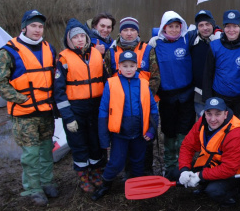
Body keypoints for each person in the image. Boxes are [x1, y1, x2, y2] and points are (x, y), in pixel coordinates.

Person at [0, 10, 58, 206]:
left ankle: (46, 182)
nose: (38, 30)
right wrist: (21, 99)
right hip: (24, 113)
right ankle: (32, 188)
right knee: (30, 153)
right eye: (33, 26)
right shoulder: (8, 52)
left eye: (40, 26)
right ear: (24, 27)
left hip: (46, 111)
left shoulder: (49, 48)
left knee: (47, 149)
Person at [93, 50, 159, 200]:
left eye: (132, 65)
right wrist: (104, 139)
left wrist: (151, 131)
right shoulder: (111, 84)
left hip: (139, 133)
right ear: (119, 67)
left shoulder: (143, 84)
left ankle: (136, 186)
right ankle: (105, 185)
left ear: (137, 66)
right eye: (125, 65)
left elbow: (153, 110)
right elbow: (103, 111)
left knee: (138, 161)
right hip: (120, 134)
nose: (128, 69)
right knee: (116, 162)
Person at [54, 19, 109, 194]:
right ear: (69, 40)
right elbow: (59, 92)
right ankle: (83, 176)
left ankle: (96, 172)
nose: (79, 40)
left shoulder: (96, 55)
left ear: (87, 37)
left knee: (96, 142)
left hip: (96, 107)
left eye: (82, 36)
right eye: (75, 37)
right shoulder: (63, 60)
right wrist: (68, 117)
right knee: (79, 144)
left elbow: (107, 82)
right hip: (75, 109)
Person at [105, 17, 161, 175]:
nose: (129, 33)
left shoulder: (147, 49)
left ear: (137, 31)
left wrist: (144, 97)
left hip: (145, 101)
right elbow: (107, 77)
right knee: (124, 136)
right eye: (125, 30)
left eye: (133, 30)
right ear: (120, 32)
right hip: (120, 104)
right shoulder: (112, 51)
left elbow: (155, 77)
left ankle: (146, 169)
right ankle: (128, 171)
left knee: (146, 137)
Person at [177, 97, 240, 207]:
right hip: (211, 162)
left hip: (235, 170)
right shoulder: (202, 123)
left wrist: (200, 175)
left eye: (217, 114)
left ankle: (233, 195)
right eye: (209, 114)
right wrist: (184, 170)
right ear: (205, 113)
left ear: (225, 114)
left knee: (214, 190)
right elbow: (187, 146)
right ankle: (205, 183)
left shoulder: (236, 132)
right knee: (176, 174)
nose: (213, 119)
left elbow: (229, 168)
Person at [151, 11, 195, 178]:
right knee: (169, 131)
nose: (175, 30)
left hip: (186, 95)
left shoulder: (187, 40)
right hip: (167, 96)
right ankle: (169, 166)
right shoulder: (155, 45)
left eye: (177, 26)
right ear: (164, 27)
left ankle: (184, 164)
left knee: (184, 130)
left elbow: (205, 29)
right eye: (171, 26)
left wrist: (218, 32)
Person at [203, 10, 240, 117]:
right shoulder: (214, 46)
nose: (231, 30)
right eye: (228, 26)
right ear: (223, 28)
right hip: (220, 97)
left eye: (235, 26)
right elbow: (208, 75)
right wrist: (208, 99)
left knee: (239, 127)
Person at [185, 10, 221, 116]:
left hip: (217, 90)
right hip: (198, 92)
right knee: (202, 120)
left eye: (207, 24)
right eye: (201, 25)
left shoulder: (220, 40)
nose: (205, 28)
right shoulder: (192, 41)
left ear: (213, 24)